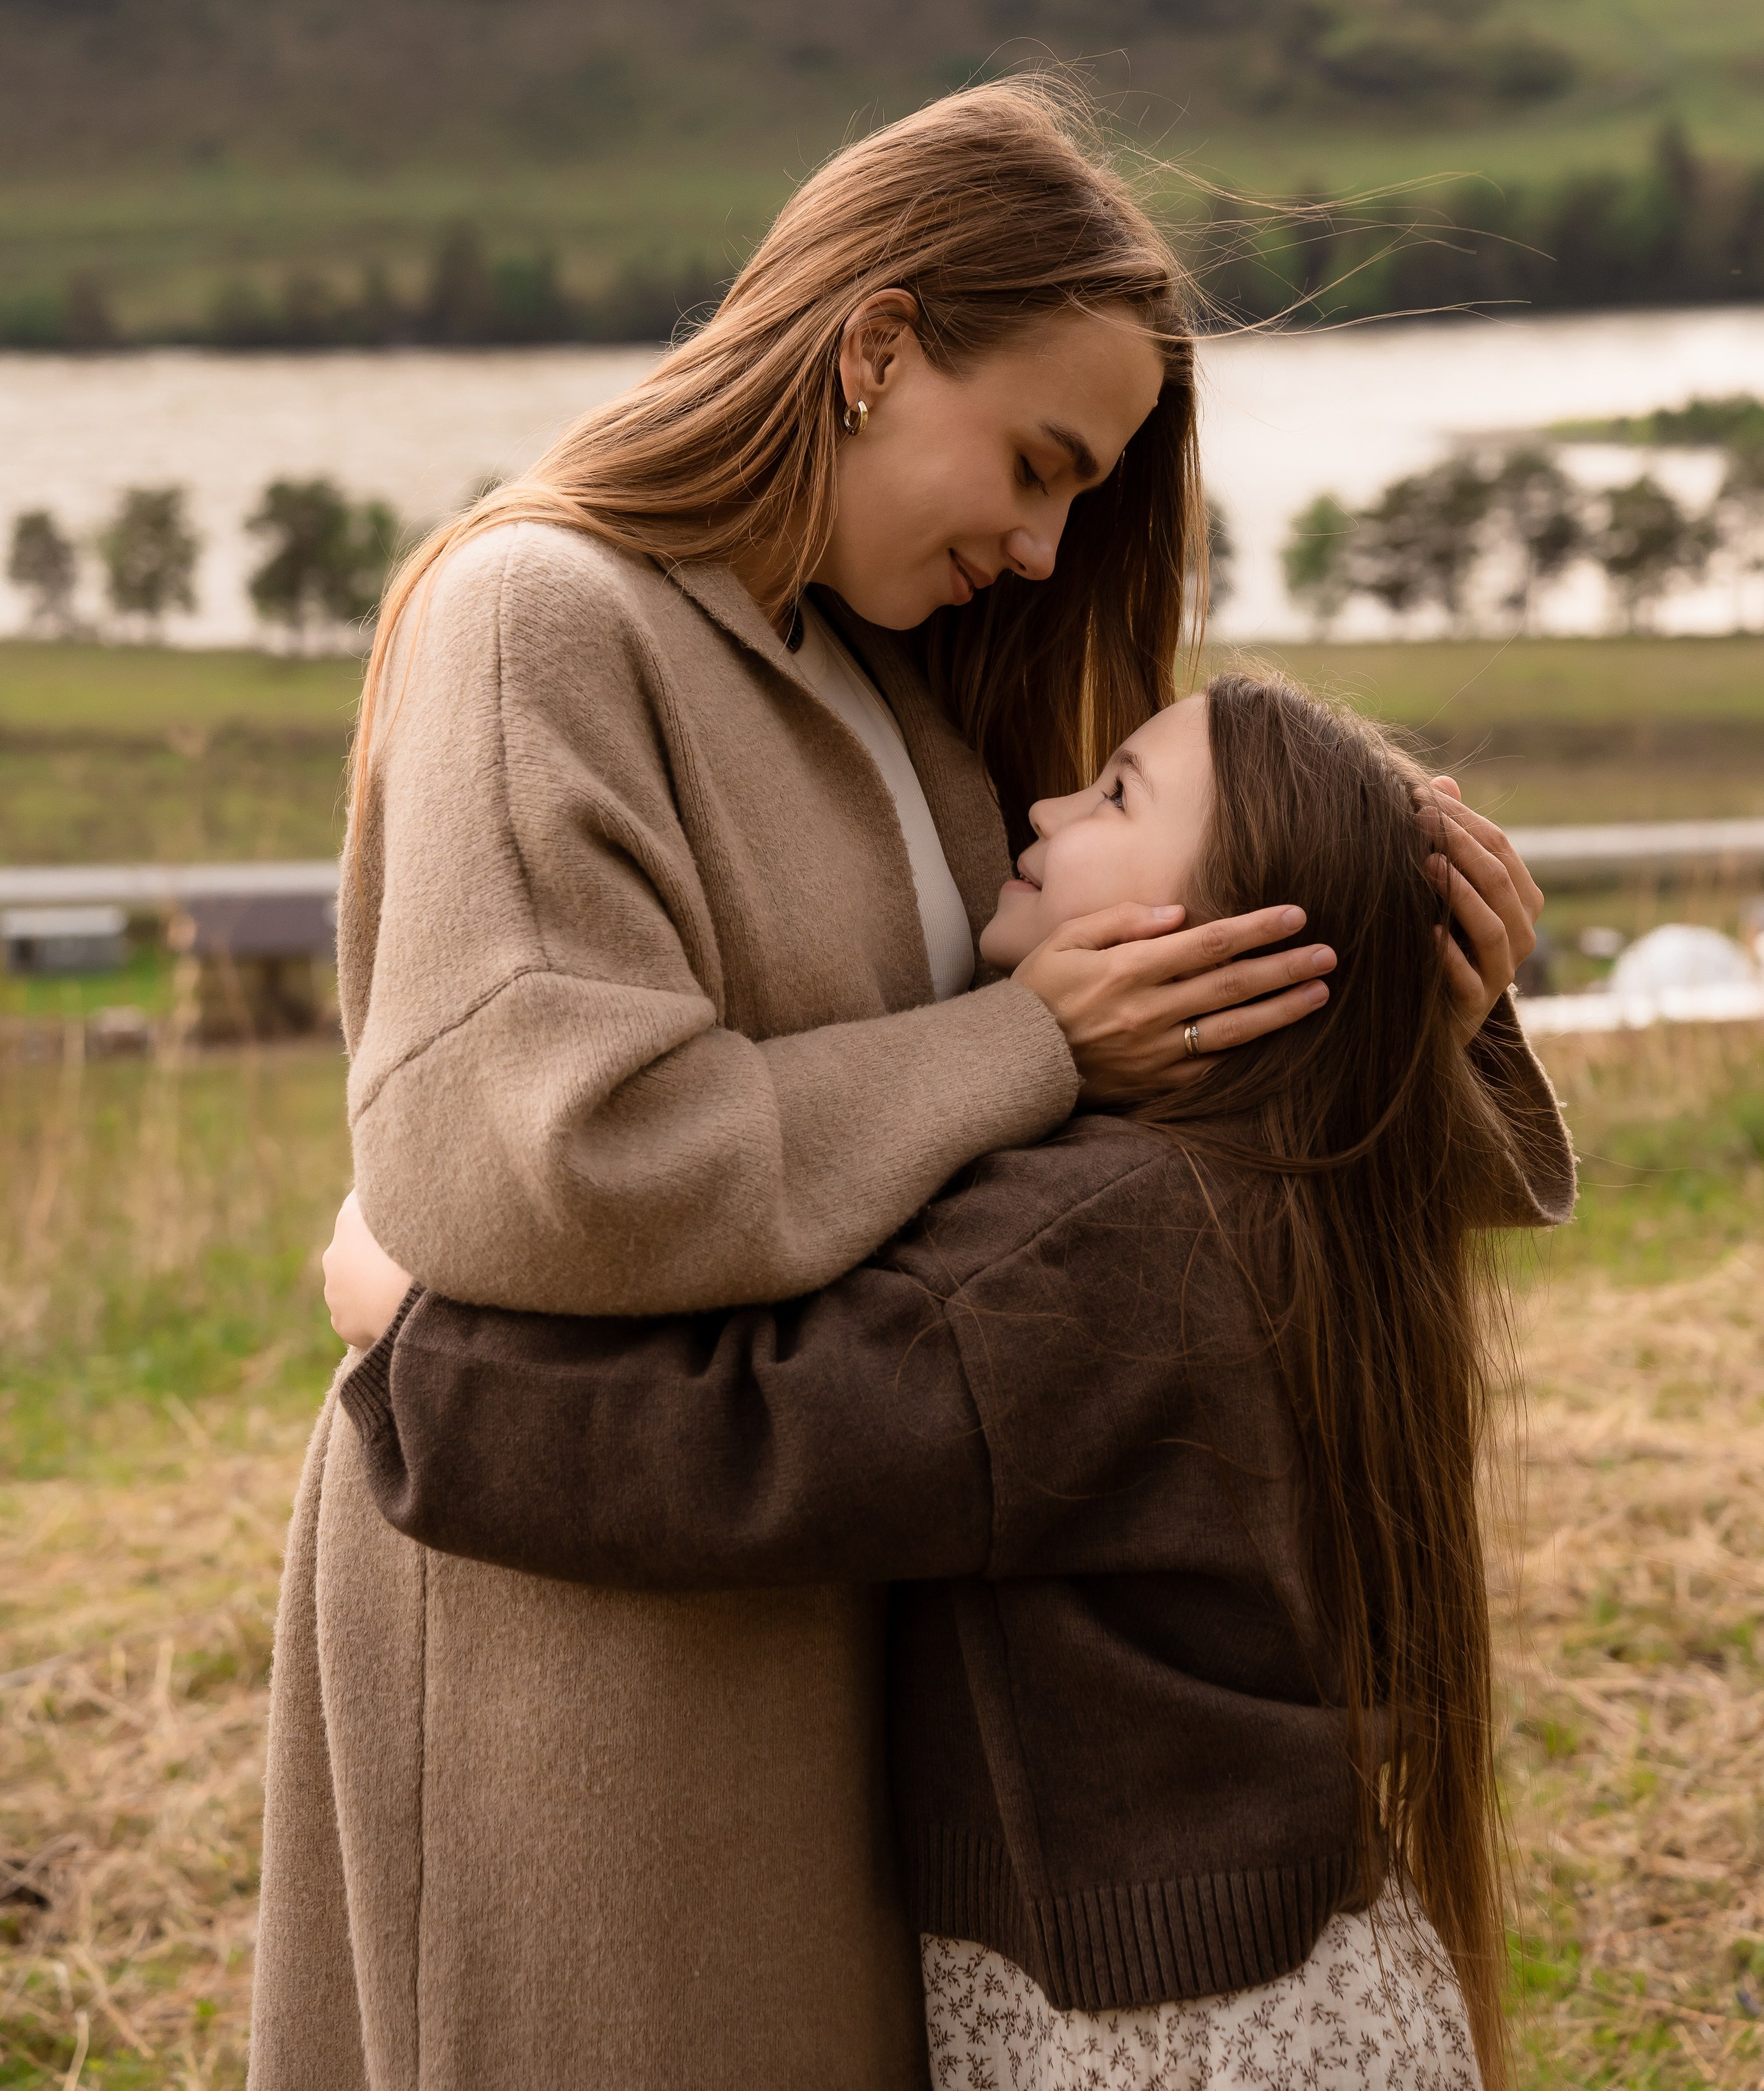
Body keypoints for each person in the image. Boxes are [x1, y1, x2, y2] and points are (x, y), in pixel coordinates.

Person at [253, 75, 1548, 2091]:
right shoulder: (545, 619)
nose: (1044, 550)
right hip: (577, 1640)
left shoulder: (882, 688)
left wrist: (1415, 988)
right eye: (1034, 463)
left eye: (1079, 498)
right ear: (873, 344)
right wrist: (1030, 1035)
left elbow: (1148, 1226)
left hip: (818, 1608)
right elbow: (554, 1169)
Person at [324, 670, 1572, 2091]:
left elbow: (753, 1443)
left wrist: (413, 1337)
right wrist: (1419, 1019)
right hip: (1291, 1993)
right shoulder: (1269, 1198)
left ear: (1228, 937)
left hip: (1173, 2035)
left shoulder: (1105, 1240)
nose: (1041, 805)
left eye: (1115, 795)